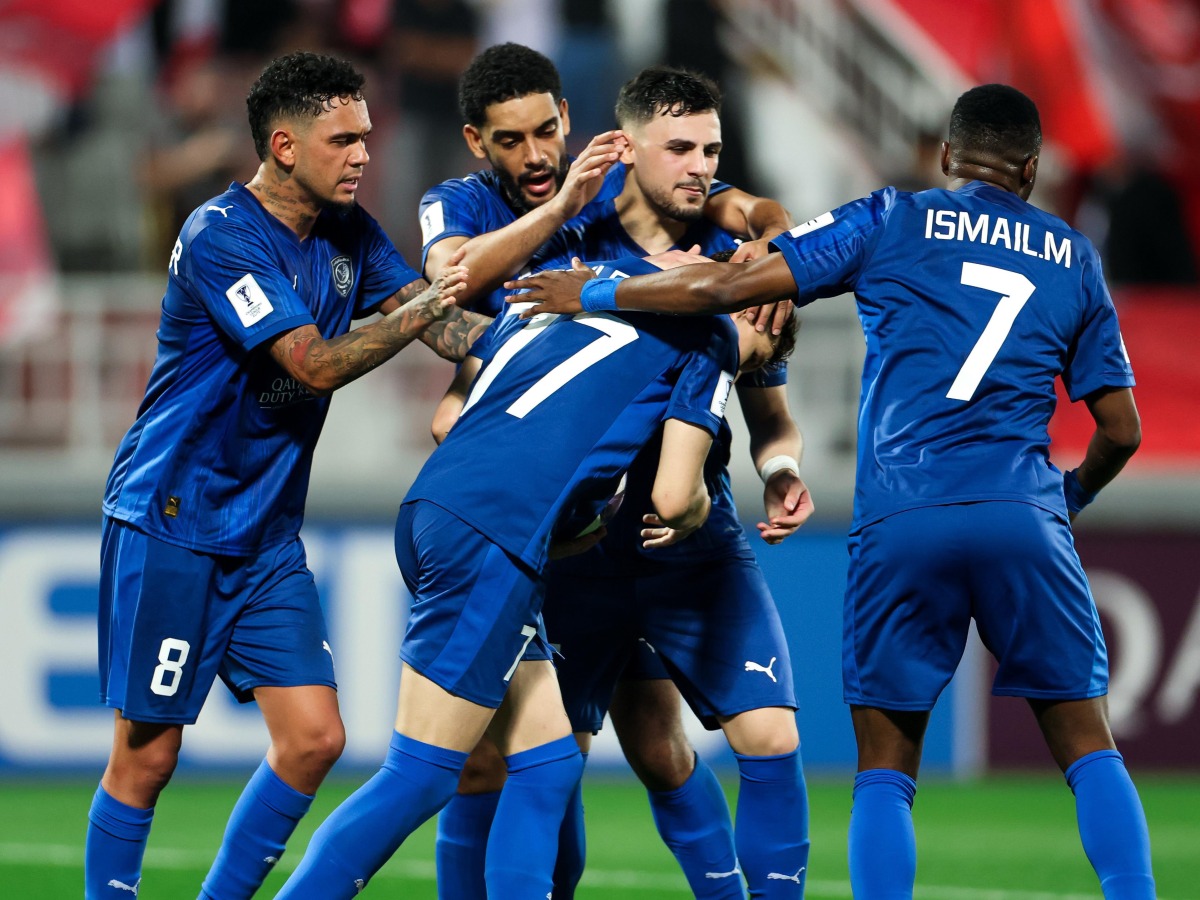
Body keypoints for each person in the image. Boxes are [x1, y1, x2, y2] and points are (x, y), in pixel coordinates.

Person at [514, 83, 1155, 899]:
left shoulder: (894, 216)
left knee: (886, 773)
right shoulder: (1074, 255)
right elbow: (1123, 430)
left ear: (949, 158)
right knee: (1089, 748)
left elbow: (722, 288)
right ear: (1030, 170)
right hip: (1023, 511)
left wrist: (594, 291)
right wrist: (1068, 502)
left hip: (904, 517)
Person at [273, 253, 786, 900]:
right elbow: (675, 496)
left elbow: (456, 416)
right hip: (494, 533)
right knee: (421, 775)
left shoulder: (572, 290)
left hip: (435, 509)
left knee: (547, 765)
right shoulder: (709, 336)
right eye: (759, 342)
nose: (748, 345)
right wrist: (695, 510)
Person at [85, 51, 467, 900]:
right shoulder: (222, 235)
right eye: (345, 139)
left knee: (314, 739)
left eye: (367, 136)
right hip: (172, 517)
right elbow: (318, 365)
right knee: (147, 757)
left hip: (263, 534)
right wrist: (428, 305)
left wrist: (564, 330)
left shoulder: (351, 234)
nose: (366, 154)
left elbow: (448, 333)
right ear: (287, 146)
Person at [434, 66, 813, 899]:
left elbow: (771, 419)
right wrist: (466, 400)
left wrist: (781, 468)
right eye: (679, 147)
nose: (699, 167)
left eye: (711, 149)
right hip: (576, 554)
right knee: (535, 764)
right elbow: (481, 369)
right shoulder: (567, 244)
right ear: (625, 148)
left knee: (769, 738)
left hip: (695, 550)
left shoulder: (728, 261)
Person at [418, 42, 797, 321]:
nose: (535, 156)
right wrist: (560, 208)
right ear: (475, 140)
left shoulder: (621, 178)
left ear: (564, 117)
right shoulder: (458, 201)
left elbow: (753, 209)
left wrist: (774, 241)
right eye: (511, 140)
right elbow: (449, 281)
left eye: (546, 131)